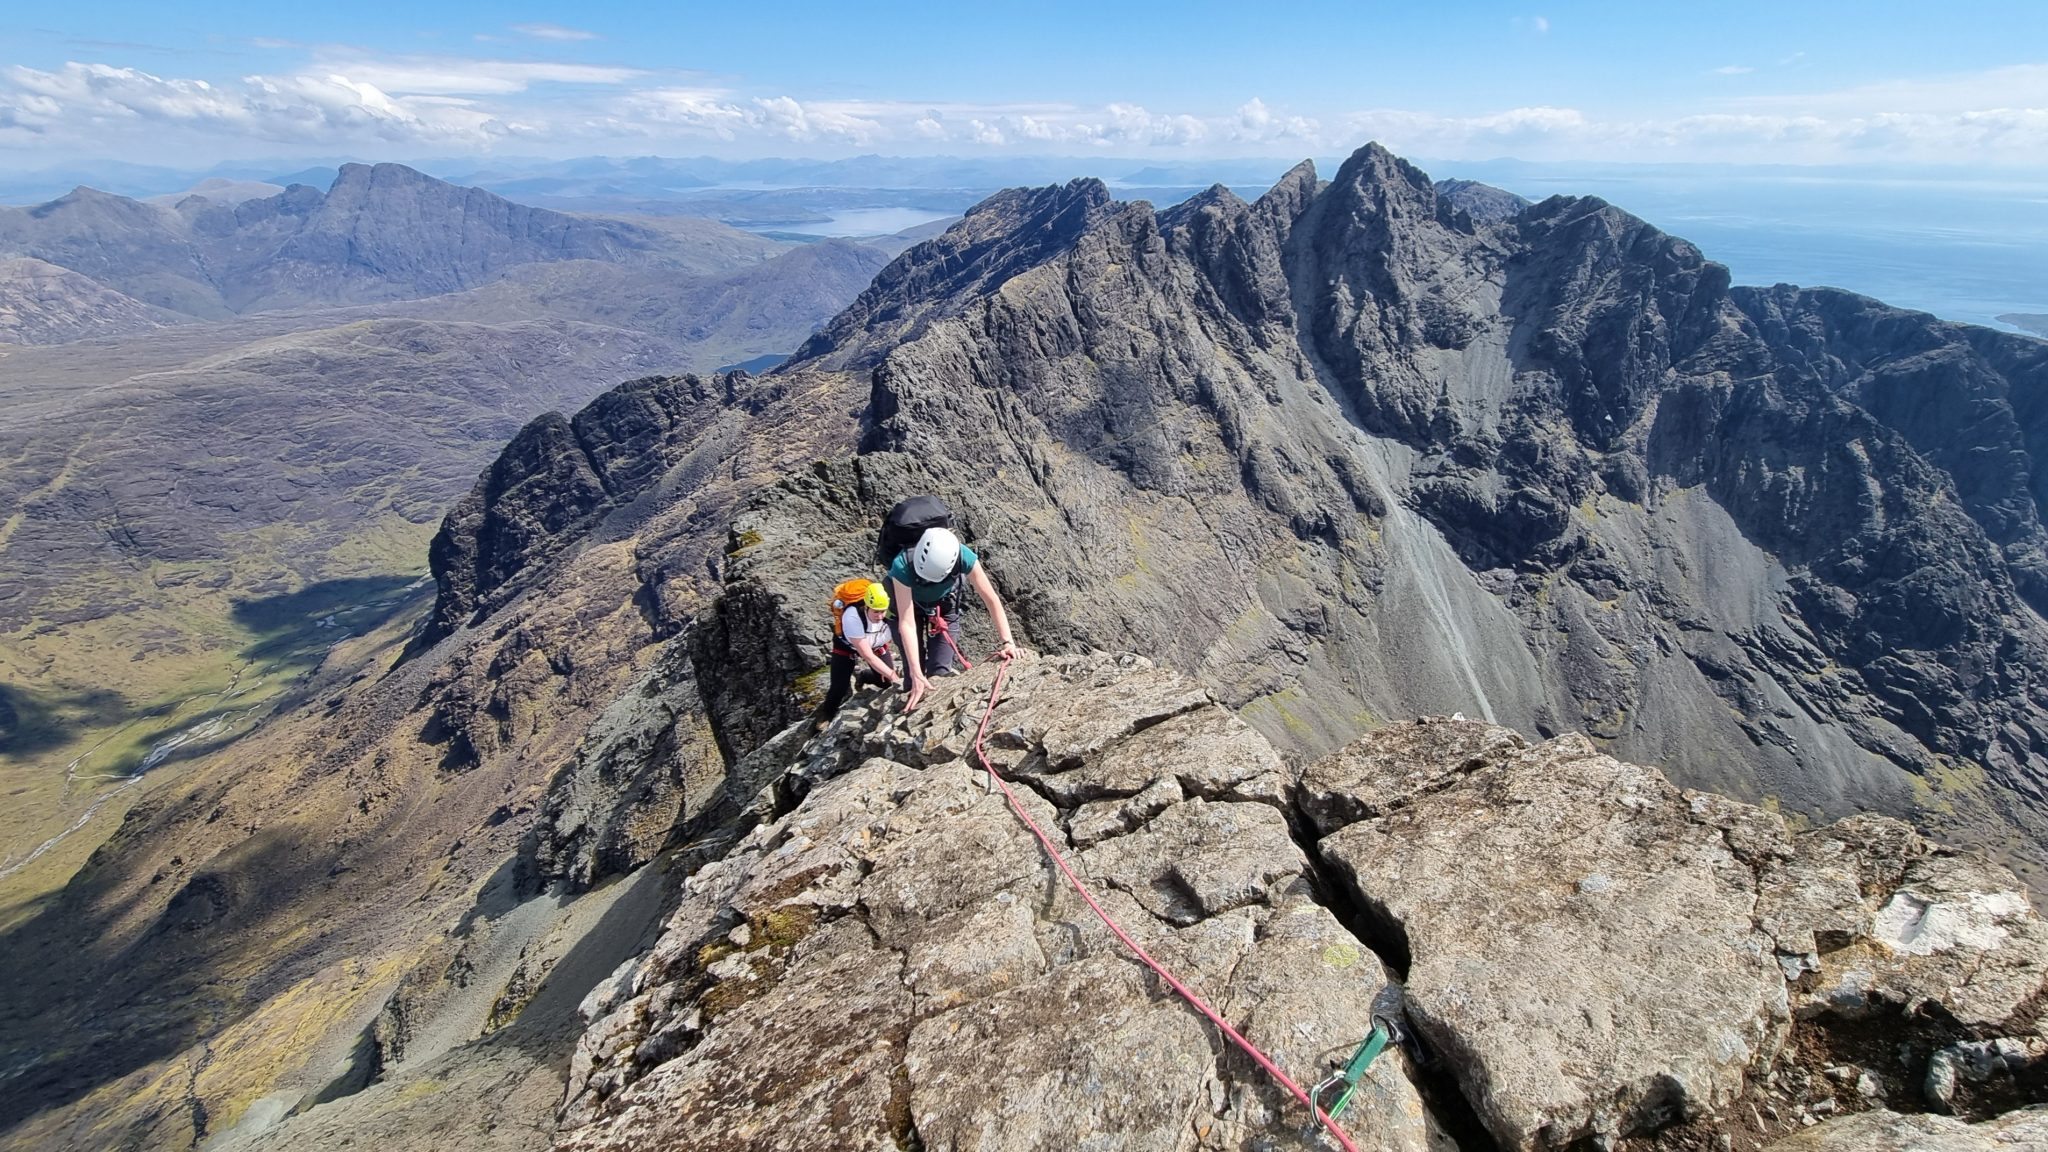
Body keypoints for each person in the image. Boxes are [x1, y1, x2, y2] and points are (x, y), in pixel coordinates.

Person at [889, 526, 1017, 711]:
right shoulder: (902, 565)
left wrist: (1008, 642)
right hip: (909, 607)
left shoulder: (964, 557)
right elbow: (907, 623)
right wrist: (916, 672)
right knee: (913, 679)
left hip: (944, 606)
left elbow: (991, 599)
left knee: (939, 672)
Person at [816, 580, 900, 727]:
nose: (880, 616)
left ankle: (864, 676)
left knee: (884, 682)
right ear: (866, 606)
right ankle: (826, 714)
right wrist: (894, 676)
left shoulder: (891, 613)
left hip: (877, 645)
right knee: (839, 686)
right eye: (875, 611)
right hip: (846, 647)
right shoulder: (852, 617)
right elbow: (867, 655)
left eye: (882, 611)